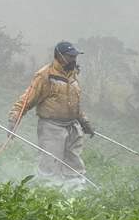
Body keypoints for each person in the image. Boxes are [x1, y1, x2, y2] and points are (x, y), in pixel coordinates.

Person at [8, 41, 95, 187]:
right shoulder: (45, 75)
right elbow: (27, 100)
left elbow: (75, 104)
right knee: (50, 159)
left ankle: (75, 187)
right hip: (51, 127)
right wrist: (14, 119)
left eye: (75, 56)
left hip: (72, 126)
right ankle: (47, 188)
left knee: (73, 158)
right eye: (70, 56)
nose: (74, 59)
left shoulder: (73, 75)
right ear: (59, 56)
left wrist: (84, 122)